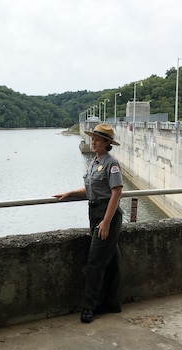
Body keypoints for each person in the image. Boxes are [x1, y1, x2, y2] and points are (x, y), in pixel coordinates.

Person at [54, 123, 123, 323]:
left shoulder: (111, 164)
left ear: (107, 143)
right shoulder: (94, 162)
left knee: (94, 262)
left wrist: (106, 222)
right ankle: (112, 303)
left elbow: (116, 192)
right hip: (95, 212)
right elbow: (92, 191)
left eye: (97, 139)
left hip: (106, 213)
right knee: (111, 261)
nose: (93, 142)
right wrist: (69, 194)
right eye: (93, 139)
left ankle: (89, 307)